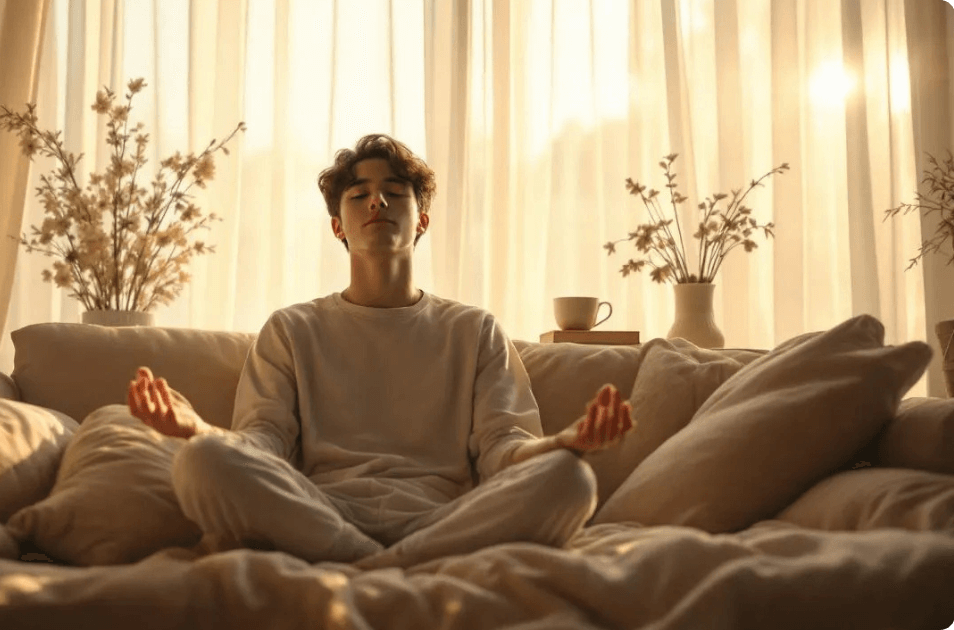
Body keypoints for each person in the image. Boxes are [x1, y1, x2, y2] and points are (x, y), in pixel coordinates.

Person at [127, 134, 635, 569]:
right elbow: (264, 444)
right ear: (338, 226)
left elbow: (505, 451)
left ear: (422, 222)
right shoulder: (291, 329)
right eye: (360, 194)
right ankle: (382, 561)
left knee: (570, 479)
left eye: (395, 192)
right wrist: (197, 431)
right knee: (201, 462)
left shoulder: (473, 330)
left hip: (444, 520)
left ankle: (371, 565)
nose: (377, 203)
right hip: (319, 514)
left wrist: (568, 442)